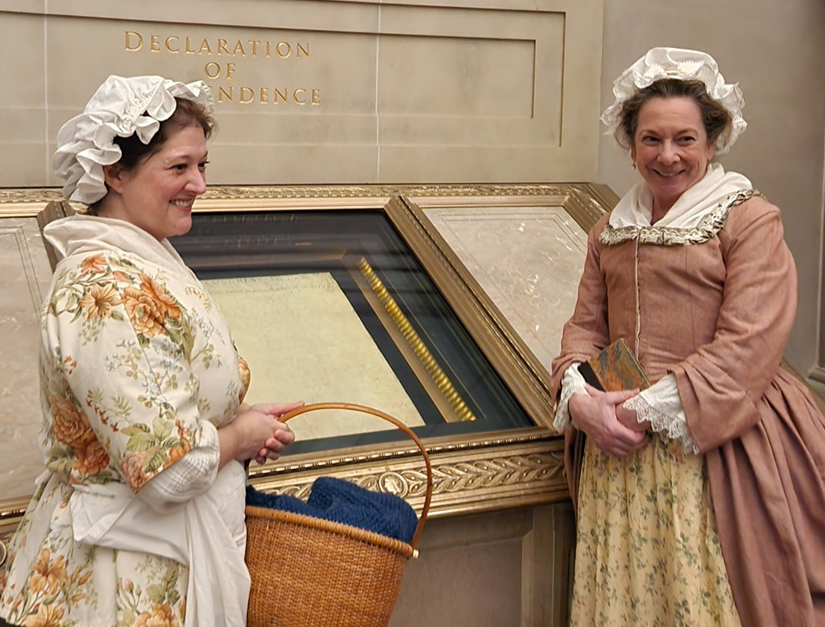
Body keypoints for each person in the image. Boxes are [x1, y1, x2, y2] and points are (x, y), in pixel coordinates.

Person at [0, 75, 301, 626]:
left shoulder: (146, 261)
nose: (199, 185)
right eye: (179, 167)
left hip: (162, 563)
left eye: (203, 165)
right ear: (115, 172)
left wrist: (237, 418)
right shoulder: (103, 284)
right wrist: (239, 438)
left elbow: (171, 403)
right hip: (115, 585)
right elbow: (168, 472)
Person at [551, 47, 825, 626]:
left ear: (712, 141)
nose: (667, 155)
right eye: (651, 139)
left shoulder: (747, 219)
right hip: (618, 448)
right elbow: (584, 329)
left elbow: (749, 344)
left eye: (685, 139)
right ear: (630, 145)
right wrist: (583, 402)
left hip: (720, 437)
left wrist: (647, 410)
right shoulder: (610, 230)